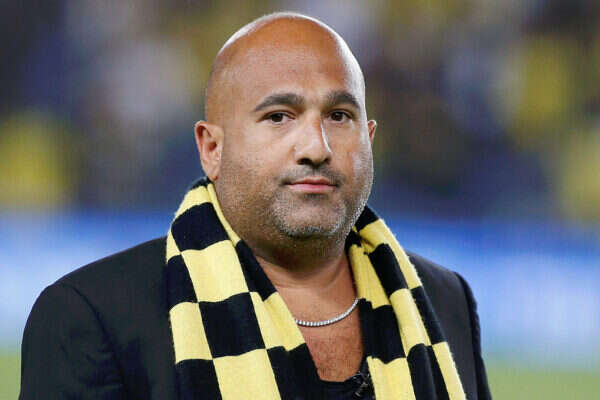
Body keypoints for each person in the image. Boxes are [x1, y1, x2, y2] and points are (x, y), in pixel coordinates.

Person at [20, 12, 491, 400]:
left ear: (369, 139)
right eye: (279, 116)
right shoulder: (93, 318)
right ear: (212, 149)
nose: (316, 147)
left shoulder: (443, 301)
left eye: (339, 116)